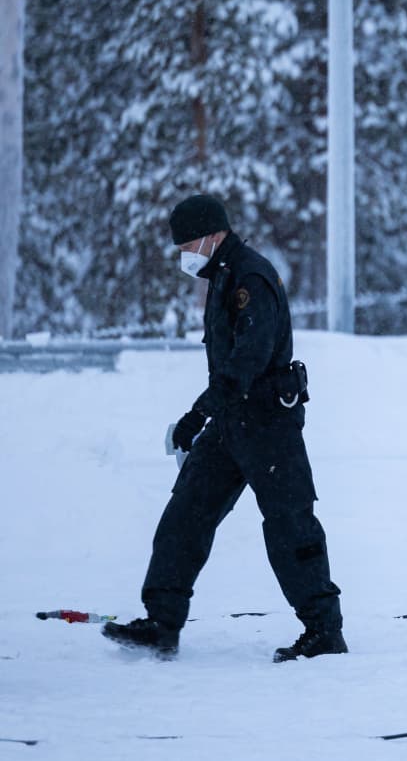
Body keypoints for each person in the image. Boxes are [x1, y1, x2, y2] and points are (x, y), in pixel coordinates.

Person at [102, 194, 346, 662]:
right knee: (185, 516)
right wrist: (208, 414)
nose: (185, 254)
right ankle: (162, 623)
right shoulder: (222, 275)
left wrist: (198, 413)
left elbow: (248, 361)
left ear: (214, 235)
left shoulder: (248, 277)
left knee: (290, 527)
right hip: (232, 420)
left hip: (269, 424)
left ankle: (324, 631)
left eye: (190, 243)